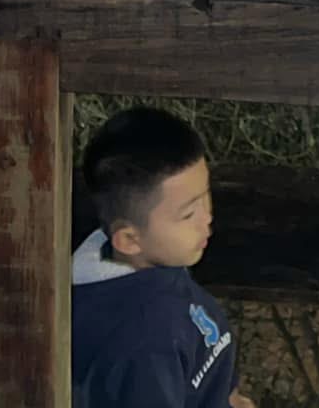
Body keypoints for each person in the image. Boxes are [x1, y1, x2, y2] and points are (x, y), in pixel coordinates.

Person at [71, 105, 257, 408]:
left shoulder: (151, 263)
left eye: (206, 197)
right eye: (188, 214)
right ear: (129, 239)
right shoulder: (143, 340)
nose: (207, 218)